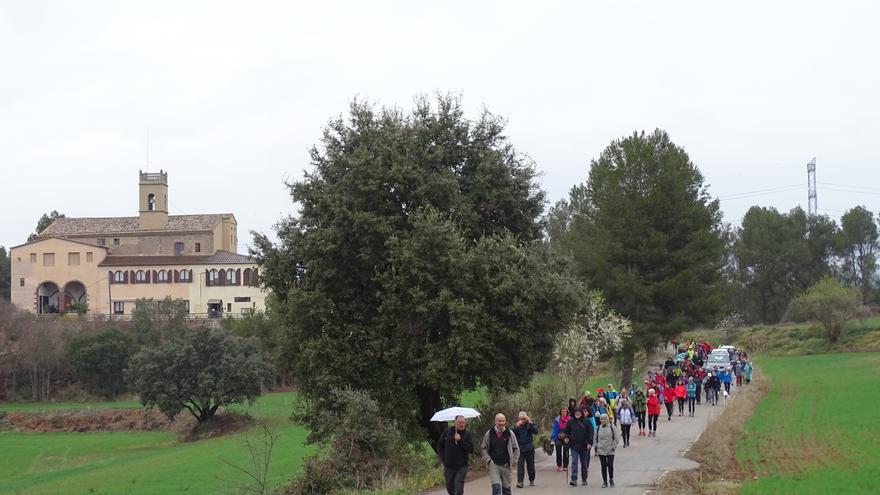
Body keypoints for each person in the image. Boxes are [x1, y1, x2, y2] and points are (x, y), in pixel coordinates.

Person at [481, 413, 520, 495]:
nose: (501, 423)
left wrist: (513, 461)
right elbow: (483, 448)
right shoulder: (489, 433)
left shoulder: (509, 433)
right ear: (495, 421)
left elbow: (516, 449)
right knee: (496, 488)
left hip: (506, 465)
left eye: (503, 421)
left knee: (506, 490)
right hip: (494, 465)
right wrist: (489, 460)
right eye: (499, 421)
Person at [438, 415, 474, 495]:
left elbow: (470, 449)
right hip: (449, 466)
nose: (462, 424)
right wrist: (443, 458)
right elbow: (440, 445)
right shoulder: (447, 431)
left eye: (464, 422)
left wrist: (460, 440)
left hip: (462, 466)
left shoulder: (467, 433)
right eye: (460, 422)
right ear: (455, 423)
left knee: (458, 487)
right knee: (449, 487)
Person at [563, 407, 594, 486]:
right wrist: (566, 437)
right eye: (576, 412)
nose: (577, 414)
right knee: (574, 462)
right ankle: (574, 479)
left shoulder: (587, 421)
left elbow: (591, 432)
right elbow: (566, 431)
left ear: (581, 413)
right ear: (574, 413)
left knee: (584, 463)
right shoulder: (570, 421)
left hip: (584, 445)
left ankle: (584, 479)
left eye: (579, 412)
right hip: (574, 445)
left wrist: (590, 443)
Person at [513, 411, 539, 488]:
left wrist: (530, 422)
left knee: (530, 465)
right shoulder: (517, 427)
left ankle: (531, 479)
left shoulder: (529, 425)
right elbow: (511, 434)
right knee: (520, 466)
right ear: (519, 419)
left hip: (529, 448)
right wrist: (516, 426)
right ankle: (520, 482)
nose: (523, 420)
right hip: (520, 448)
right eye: (521, 419)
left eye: (524, 418)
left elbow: (536, 431)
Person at [594, 413, 618, 488]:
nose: (603, 420)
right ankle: (605, 481)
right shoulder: (597, 428)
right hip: (601, 449)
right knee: (603, 466)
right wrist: (596, 447)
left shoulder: (612, 427)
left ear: (607, 419)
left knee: (610, 464)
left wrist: (613, 447)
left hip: (610, 449)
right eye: (601, 419)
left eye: (604, 419)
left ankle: (611, 479)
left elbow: (616, 439)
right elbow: (595, 439)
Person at [551, 407, 571, 472]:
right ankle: (559, 465)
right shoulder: (557, 419)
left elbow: (572, 429)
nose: (564, 412)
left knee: (566, 451)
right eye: (562, 411)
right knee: (558, 449)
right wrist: (553, 438)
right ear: (560, 412)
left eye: (565, 411)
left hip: (566, 436)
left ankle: (565, 465)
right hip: (558, 436)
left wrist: (569, 437)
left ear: (567, 412)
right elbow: (554, 429)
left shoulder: (570, 419)